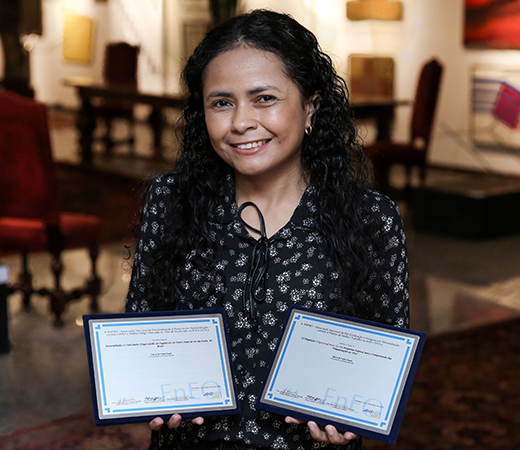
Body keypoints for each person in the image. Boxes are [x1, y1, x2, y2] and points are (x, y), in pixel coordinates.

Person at [126, 9, 410, 450]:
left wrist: (354, 414)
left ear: (311, 106)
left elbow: (382, 362)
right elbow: (142, 328)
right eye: (221, 102)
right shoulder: (171, 200)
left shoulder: (370, 218)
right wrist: (151, 389)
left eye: (264, 99)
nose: (240, 122)